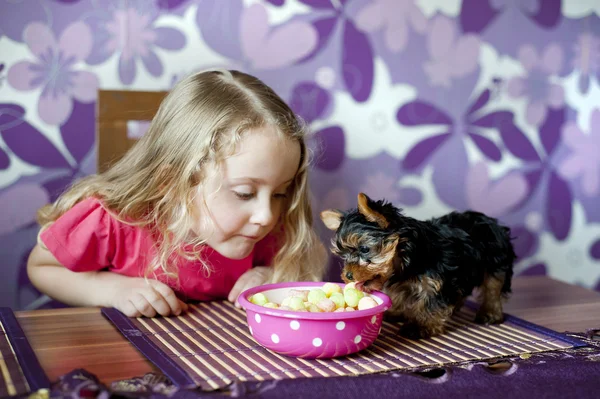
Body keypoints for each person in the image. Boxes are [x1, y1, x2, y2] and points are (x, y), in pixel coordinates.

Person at [27, 69, 327, 318]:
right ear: (173, 182)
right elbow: (40, 267)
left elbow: (310, 255)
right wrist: (112, 290)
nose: (267, 215)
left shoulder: (258, 230)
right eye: (244, 193)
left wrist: (272, 278)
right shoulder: (115, 220)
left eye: (280, 193)